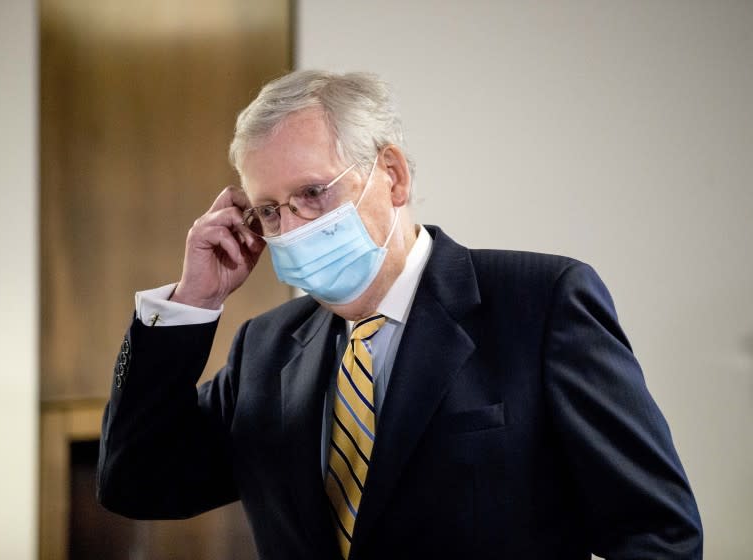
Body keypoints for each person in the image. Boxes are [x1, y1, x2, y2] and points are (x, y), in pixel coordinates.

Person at [97, 70, 702, 559]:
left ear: (392, 174)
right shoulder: (266, 349)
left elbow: (658, 533)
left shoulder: (540, 302)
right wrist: (193, 304)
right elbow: (136, 482)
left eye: (313, 193)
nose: (294, 226)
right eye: (271, 212)